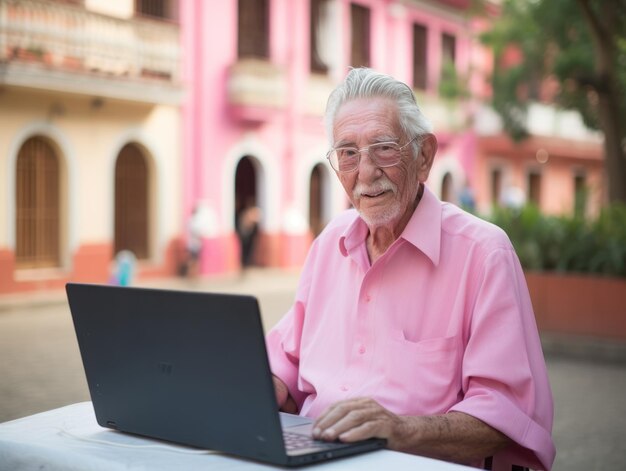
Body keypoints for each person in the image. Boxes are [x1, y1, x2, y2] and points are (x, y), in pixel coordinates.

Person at [266, 68, 555, 471]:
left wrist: (401, 430)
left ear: (423, 157)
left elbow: (508, 412)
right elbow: (286, 359)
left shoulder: (484, 253)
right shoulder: (329, 243)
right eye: (348, 153)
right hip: (313, 457)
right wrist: (263, 388)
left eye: (383, 148)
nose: (364, 173)